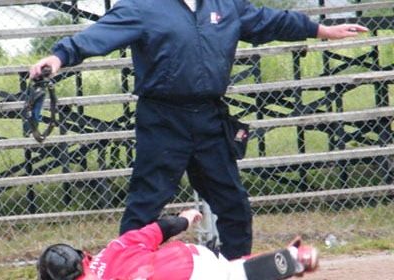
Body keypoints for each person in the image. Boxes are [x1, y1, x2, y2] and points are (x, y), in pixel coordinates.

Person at [30, 0, 369, 260]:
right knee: (145, 206)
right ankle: (125, 269)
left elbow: (270, 20)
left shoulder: (225, 5)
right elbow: (97, 36)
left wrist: (321, 30)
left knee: (234, 205)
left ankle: (235, 268)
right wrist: (58, 58)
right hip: (163, 119)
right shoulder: (142, 6)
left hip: (210, 118)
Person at [37, 209, 319, 280]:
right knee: (230, 273)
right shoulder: (114, 249)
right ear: (80, 255)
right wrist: (185, 219)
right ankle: (295, 257)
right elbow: (159, 228)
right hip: (192, 255)